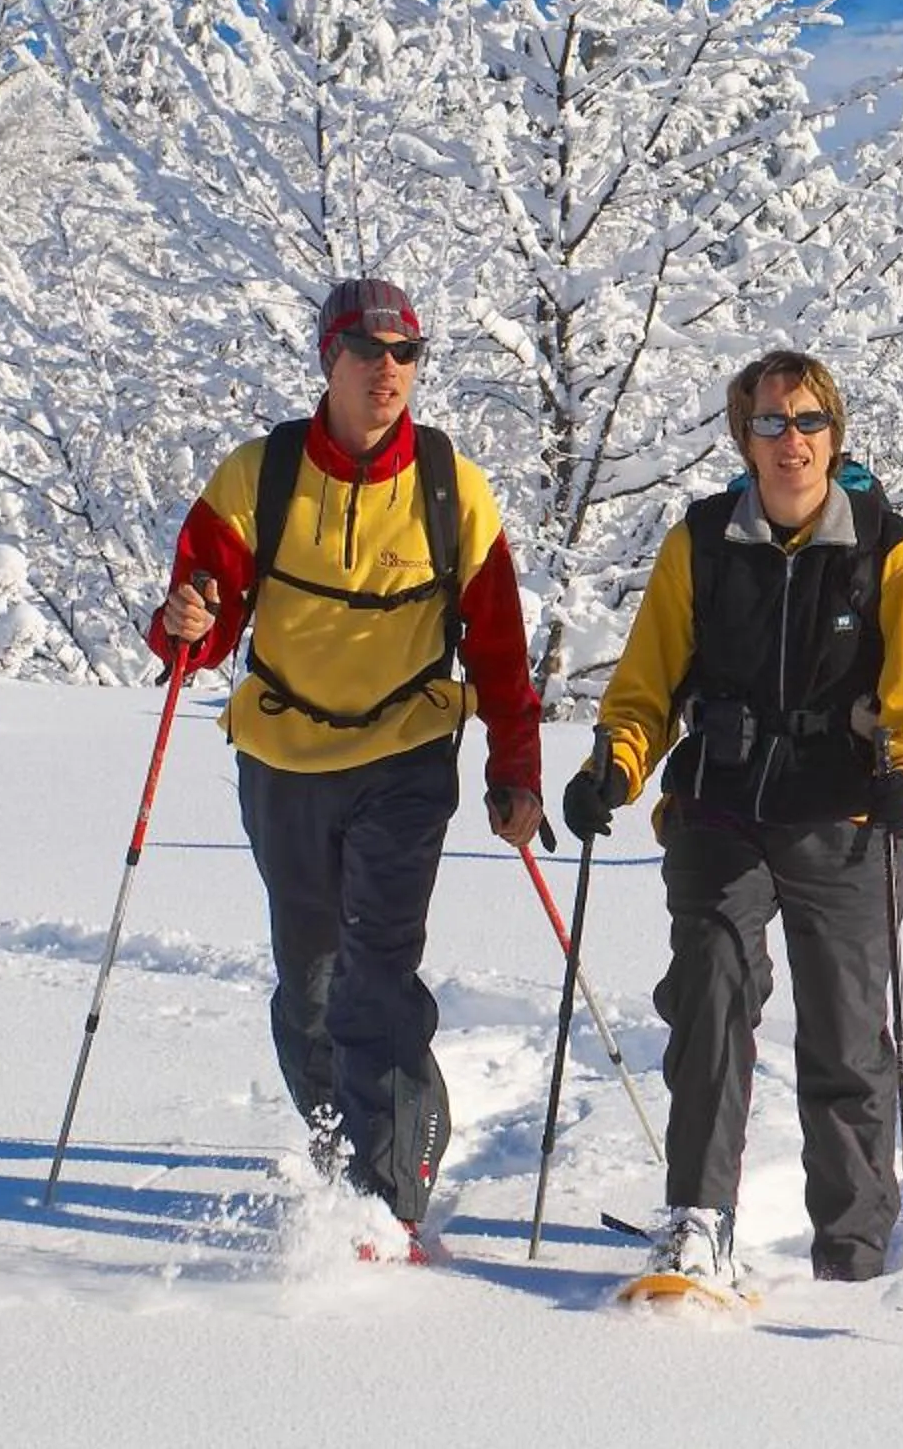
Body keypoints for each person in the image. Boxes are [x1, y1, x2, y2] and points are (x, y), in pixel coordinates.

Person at [149, 277, 544, 1253]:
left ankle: (390, 1193)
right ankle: (343, 1153)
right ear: (330, 358)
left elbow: (499, 648)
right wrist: (185, 623)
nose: (387, 370)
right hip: (283, 760)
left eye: (406, 353)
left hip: (406, 757)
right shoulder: (261, 476)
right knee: (312, 982)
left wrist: (516, 770)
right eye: (368, 351)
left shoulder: (452, 486)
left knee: (378, 971)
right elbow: (201, 627)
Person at [564, 349, 903, 1290]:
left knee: (846, 1039)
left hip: (846, 818)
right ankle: (697, 1224)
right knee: (713, 992)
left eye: (808, 420)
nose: (791, 441)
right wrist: (614, 767)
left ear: (834, 434)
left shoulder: (886, 550)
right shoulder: (700, 543)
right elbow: (646, 687)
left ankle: (852, 1260)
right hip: (722, 806)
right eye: (770, 423)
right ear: (744, 439)